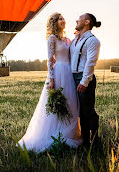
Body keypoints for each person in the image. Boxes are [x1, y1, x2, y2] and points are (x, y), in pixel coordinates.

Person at [18, 13, 82, 152]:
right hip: (58, 72)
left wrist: (77, 36)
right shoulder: (52, 39)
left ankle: (68, 133)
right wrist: (51, 79)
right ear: (54, 22)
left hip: (68, 73)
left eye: (64, 18)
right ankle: (52, 134)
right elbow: (49, 60)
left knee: (70, 102)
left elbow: (73, 53)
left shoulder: (68, 39)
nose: (63, 20)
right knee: (56, 103)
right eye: (60, 19)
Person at [70, 13, 101, 147]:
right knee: (80, 111)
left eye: (80, 18)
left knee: (88, 111)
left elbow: (90, 63)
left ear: (87, 22)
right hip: (73, 77)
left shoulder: (93, 41)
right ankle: (85, 140)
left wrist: (84, 82)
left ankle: (94, 141)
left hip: (84, 77)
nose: (77, 19)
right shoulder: (76, 39)